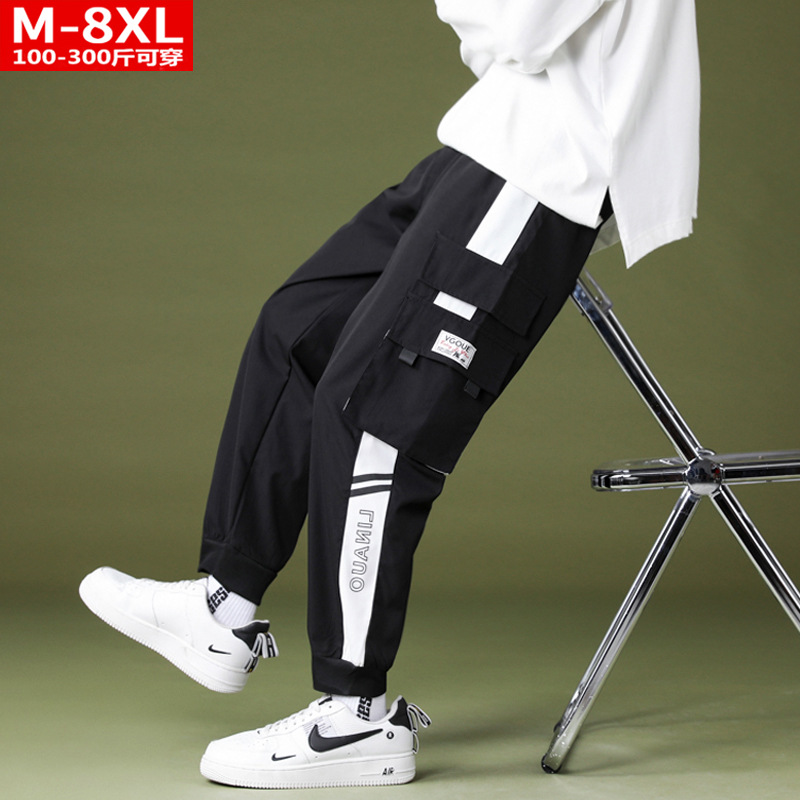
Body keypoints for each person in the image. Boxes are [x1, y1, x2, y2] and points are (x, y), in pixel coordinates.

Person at [79, 0, 700, 789]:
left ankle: (355, 715)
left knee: (373, 413)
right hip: (495, 141)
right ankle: (222, 605)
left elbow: (517, 30)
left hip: (552, 167)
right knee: (298, 329)